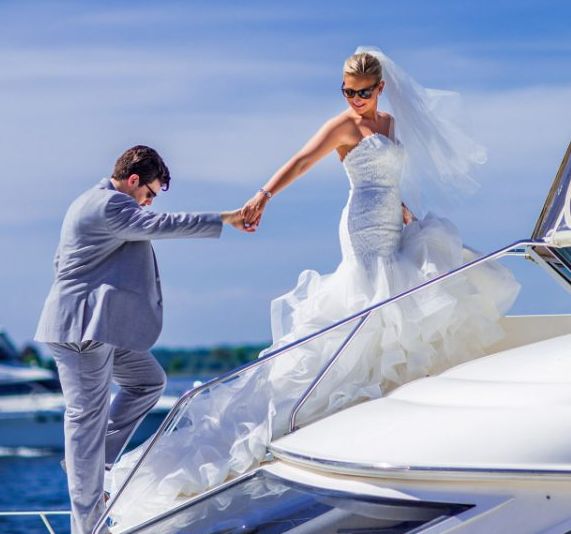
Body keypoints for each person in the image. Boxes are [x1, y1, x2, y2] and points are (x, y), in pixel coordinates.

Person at [106, 49, 520, 530]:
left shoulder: (388, 124)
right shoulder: (342, 126)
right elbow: (302, 160)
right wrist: (261, 196)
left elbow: (387, 175)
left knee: (412, 289)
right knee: (371, 300)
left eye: (362, 92)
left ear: (379, 88)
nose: (355, 100)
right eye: (347, 91)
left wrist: (402, 205)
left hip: (390, 217)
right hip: (362, 227)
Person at [34, 145, 251, 534]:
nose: (148, 204)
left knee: (148, 381)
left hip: (97, 328)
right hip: (82, 330)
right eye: (149, 194)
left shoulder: (91, 203)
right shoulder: (109, 205)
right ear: (133, 181)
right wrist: (224, 218)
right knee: (85, 424)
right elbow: (161, 225)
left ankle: (94, 459)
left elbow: (64, 264)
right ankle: (88, 526)